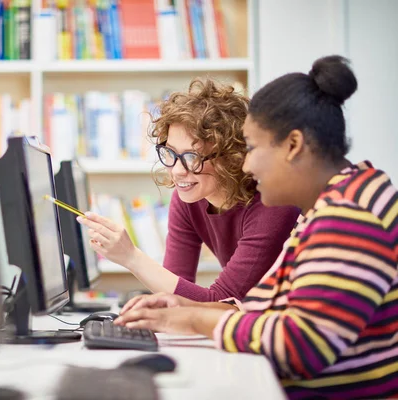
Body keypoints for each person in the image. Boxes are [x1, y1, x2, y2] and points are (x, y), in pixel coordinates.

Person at [115, 55, 398, 399]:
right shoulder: (335, 202)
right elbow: (268, 308)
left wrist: (192, 320)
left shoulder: (349, 216)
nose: (245, 164)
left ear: (292, 146)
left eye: (251, 148)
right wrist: (186, 309)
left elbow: (299, 346)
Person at [78, 78, 300, 301]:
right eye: (171, 153)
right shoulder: (188, 200)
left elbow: (223, 301)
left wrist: (132, 257)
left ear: (232, 157)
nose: (177, 171)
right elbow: (176, 292)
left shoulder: (273, 204)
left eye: (192, 157)